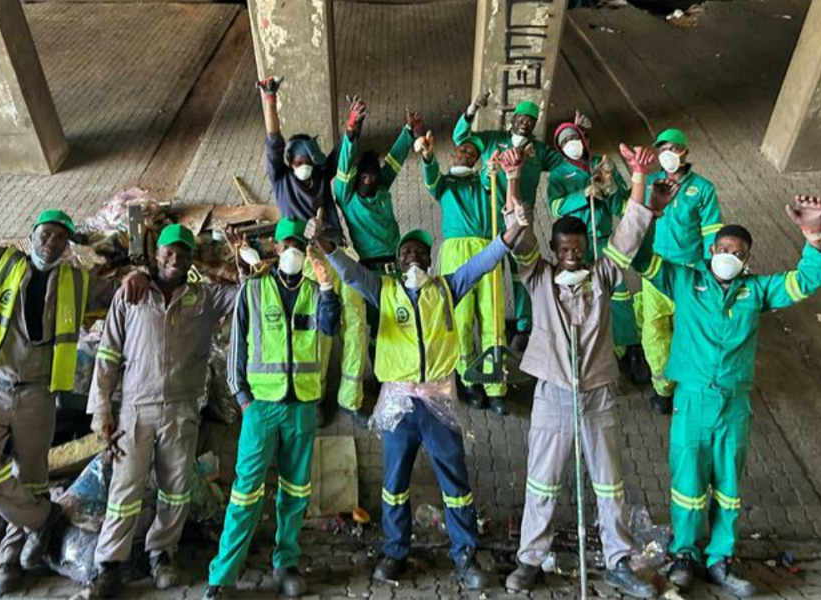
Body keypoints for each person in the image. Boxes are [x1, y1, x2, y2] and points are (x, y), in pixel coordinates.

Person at [0, 156, 147, 596]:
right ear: (33, 235)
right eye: (47, 234)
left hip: (40, 396)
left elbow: (116, 292)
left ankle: (11, 561)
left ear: (66, 245)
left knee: (33, 479)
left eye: (61, 238)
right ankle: (44, 519)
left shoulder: (76, 283)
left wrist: (136, 274)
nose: (53, 242)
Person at [313, 150, 531, 591]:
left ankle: (465, 553)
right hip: (398, 403)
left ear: (430, 261)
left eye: (420, 252)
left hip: (438, 401)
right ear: (396, 262)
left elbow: (483, 260)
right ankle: (395, 551)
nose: (413, 257)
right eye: (406, 252)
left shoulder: (447, 288)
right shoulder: (384, 289)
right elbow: (353, 276)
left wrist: (513, 232)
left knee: (457, 481)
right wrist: (325, 245)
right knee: (394, 483)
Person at [639, 196, 821, 597]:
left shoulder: (755, 291)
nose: (729, 256)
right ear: (711, 250)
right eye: (724, 250)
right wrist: (649, 213)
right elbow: (639, 257)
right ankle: (685, 556)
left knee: (728, 486)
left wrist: (814, 236)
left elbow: (804, 281)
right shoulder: (686, 282)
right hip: (691, 401)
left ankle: (720, 559)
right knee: (688, 485)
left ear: (747, 260)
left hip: (734, 405)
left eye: (738, 253)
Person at [502, 144, 671, 599]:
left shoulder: (602, 278)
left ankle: (618, 560)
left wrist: (637, 180)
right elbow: (518, 236)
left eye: (578, 248)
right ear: (554, 251)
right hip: (553, 394)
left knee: (609, 482)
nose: (572, 255)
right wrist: (514, 181)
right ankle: (529, 559)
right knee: (542, 480)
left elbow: (629, 237)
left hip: (597, 394)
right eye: (564, 249)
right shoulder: (538, 279)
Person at [85, 224, 238, 597]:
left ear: (192, 260)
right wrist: (101, 412)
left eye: (184, 253)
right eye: (170, 251)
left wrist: (238, 258)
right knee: (125, 490)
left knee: (176, 489)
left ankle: (162, 555)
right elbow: (106, 356)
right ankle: (109, 565)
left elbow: (247, 296)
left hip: (182, 408)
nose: (176, 258)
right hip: (135, 409)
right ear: (157, 255)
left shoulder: (205, 299)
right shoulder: (132, 294)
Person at [204, 218, 341, 599]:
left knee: (296, 491)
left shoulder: (316, 290)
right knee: (245, 491)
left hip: (302, 408)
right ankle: (223, 575)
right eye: (287, 244)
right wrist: (243, 398)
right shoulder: (254, 289)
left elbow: (330, 328)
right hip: (261, 408)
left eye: (299, 243)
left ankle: (287, 561)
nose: (293, 249)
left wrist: (328, 284)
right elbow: (237, 347)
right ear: (276, 249)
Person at [257, 77, 366, 421]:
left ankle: (351, 396)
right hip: (305, 259)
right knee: (318, 331)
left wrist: (353, 125)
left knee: (356, 322)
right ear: (289, 162)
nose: (305, 165)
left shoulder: (321, 175)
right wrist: (270, 100)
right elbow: (273, 142)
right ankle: (315, 396)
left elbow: (343, 154)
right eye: (298, 160)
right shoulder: (280, 179)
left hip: (336, 250)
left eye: (310, 160)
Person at [453, 93, 566, 355]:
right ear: (511, 121)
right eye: (521, 119)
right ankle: (493, 323)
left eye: (531, 121)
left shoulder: (537, 150)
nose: (525, 124)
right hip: (490, 215)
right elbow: (461, 139)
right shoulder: (494, 139)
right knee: (493, 269)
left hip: (521, 218)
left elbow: (564, 164)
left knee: (522, 269)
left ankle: (524, 325)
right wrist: (470, 112)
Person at [547, 118, 649, 383]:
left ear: (584, 139)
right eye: (566, 141)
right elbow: (555, 208)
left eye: (575, 138)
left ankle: (631, 347)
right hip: (576, 248)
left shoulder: (600, 166)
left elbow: (621, 207)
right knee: (584, 296)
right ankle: (596, 350)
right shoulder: (558, 175)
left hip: (604, 240)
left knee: (619, 293)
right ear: (560, 148)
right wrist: (583, 194)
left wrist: (612, 184)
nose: (572, 144)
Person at [418, 129, 511, 414]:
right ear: (454, 153)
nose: (466, 154)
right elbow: (430, 178)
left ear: (477, 160)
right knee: (460, 317)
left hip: (486, 249)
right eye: (462, 150)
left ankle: (495, 386)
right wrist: (428, 156)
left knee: (493, 316)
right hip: (456, 253)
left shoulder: (486, 181)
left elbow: (496, 181)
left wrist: (496, 168)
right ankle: (469, 380)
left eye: (472, 153)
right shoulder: (445, 184)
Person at [640, 128, 723, 415]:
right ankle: (662, 387)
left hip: (690, 273)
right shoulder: (651, 182)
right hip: (655, 270)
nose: (668, 154)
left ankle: (687, 386)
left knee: (686, 331)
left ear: (685, 152)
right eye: (662, 149)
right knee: (654, 329)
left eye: (674, 148)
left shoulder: (702, 189)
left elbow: (712, 231)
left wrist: (714, 268)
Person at [333, 97, 422, 343]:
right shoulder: (347, 196)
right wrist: (352, 129)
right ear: (356, 177)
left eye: (373, 178)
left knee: (405, 320)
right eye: (364, 178)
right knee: (379, 328)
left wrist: (408, 133)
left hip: (398, 265)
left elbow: (394, 161)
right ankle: (382, 374)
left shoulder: (381, 189)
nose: (369, 183)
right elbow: (344, 163)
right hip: (371, 270)